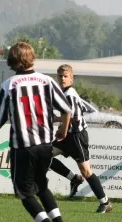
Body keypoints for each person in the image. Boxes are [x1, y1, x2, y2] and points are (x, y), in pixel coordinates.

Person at [0, 42, 72, 222]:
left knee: (24, 192)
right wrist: (63, 130)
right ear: (32, 58)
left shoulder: (9, 85)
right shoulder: (46, 81)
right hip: (45, 145)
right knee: (41, 186)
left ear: (12, 61)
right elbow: (67, 109)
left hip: (23, 147)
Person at [48, 65, 113, 213]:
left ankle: (105, 203)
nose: (62, 79)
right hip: (68, 135)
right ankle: (74, 179)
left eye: (66, 76)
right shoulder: (64, 93)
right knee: (45, 156)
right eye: (60, 76)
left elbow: (75, 118)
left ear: (72, 78)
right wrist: (60, 123)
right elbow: (73, 113)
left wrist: (60, 127)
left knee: (86, 171)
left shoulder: (69, 94)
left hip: (76, 136)